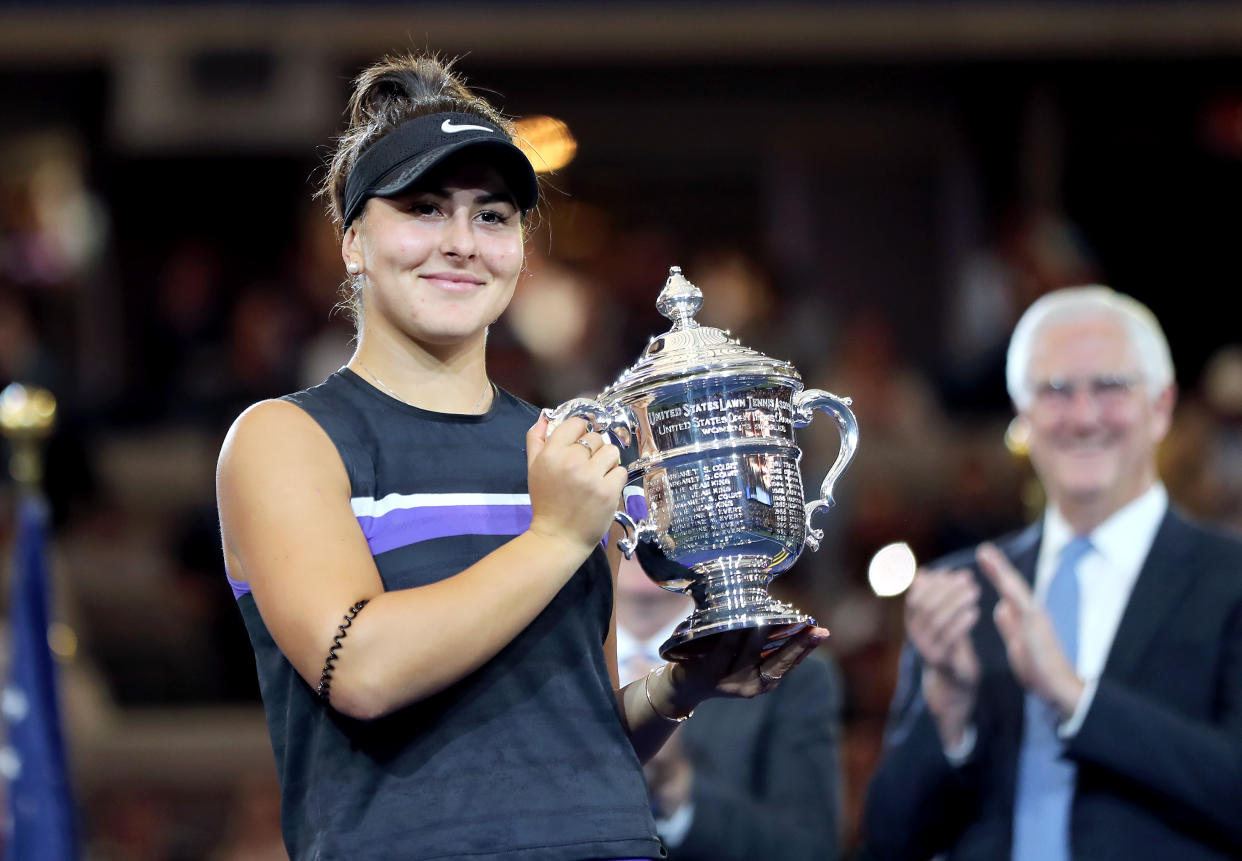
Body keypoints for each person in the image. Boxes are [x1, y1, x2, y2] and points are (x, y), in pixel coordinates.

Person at [214, 52, 827, 861]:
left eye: (493, 216)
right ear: (354, 241)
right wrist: (556, 536)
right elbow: (359, 668)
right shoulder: (285, 438)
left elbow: (577, 735)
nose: (462, 243)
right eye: (425, 208)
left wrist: (683, 684)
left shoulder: (567, 446)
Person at [862, 286, 1242, 861]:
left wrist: (1075, 698)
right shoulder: (961, 590)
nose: (1084, 416)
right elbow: (888, 841)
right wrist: (950, 717)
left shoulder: (1230, 579)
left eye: (1110, 386)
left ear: (1161, 407)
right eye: (1056, 390)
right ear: (1023, 415)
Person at [614, 551, 842, 860]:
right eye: (625, 505)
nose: (638, 523)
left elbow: (810, 850)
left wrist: (677, 791)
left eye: (654, 503)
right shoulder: (536, 661)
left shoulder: (787, 672)